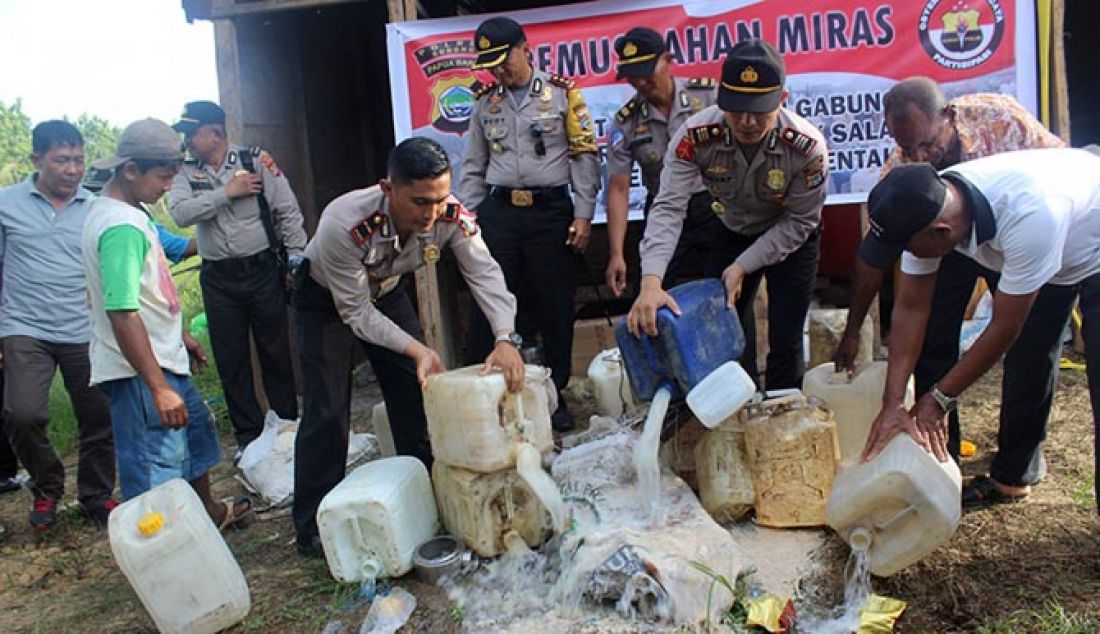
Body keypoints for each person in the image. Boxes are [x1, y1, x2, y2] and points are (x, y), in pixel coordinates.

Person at [293, 137, 523, 558]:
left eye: (439, 199)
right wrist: (418, 348)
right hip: (326, 301)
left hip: (389, 292)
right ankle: (312, 525)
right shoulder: (343, 222)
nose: (431, 214)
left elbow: (484, 274)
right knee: (327, 410)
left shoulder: (450, 214)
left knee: (415, 396)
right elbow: (356, 313)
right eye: (419, 202)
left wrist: (505, 337)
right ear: (388, 188)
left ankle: (426, 497)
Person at [832, 78, 1065, 462]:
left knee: (1031, 345)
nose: (920, 157)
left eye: (926, 144)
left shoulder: (1000, 118)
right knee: (932, 340)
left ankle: (1016, 469)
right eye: (908, 148)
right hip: (944, 239)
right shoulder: (902, 171)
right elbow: (885, 273)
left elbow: (1056, 165)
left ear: (949, 115)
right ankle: (941, 456)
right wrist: (853, 329)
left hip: (1024, 232)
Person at [858, 150, 1100, 511]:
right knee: (1031, 354)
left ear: (942, 234)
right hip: (1049, 248)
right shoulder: (927, 206)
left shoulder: (1032, 218)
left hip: (1090, 243)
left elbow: (1004, 327)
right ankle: (1012, 479)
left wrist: (940, 398)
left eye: (904, 249)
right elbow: (911, 307)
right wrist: (893, 401)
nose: (902, 256)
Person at [627, 39, 827, 390]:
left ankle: (782, 413)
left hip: (791, 236)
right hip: (732, 229)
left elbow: (800, 221)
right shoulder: (694, 137)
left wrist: (743, 266)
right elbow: (670, 207)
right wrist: (651, 282)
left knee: (786, 337)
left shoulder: (807, 147)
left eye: (759, 111)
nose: (748, 122)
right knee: (722, 326)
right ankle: (739, 408)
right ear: (721, 99)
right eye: (737, 110)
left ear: (782, 100)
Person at [83, 118, 251, 528]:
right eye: (162, 177)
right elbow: (121, 311)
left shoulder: (130, 214)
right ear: (130, 170)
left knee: (194, 441)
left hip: (162, 357)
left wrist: (179, 338)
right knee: (155, 468)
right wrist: (157, 386)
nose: (165, 188)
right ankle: (167, 554)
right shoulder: (119, 226)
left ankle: (208, 515)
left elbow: (147, 294)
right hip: (141, 374)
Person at [458, 16, 601, 431]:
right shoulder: (486, 102)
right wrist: (467, 219)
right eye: (492, 65)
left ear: (526, 48)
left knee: (555, 308)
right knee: (491, 303)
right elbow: (473, 164)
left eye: (505, 60)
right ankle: (485, 401)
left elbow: (584, 155)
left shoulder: (563, 95)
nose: (499, 71)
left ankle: (553, 400)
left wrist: (583, 214)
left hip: (549, 215)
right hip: (499, 214)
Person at [169, 101, 306, 457]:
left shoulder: (254, 160)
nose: (187, 141)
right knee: (232, 361)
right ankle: (249, 439)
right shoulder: (185, 172)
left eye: (191, 133)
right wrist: (226, 194)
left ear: (213, 132)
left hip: (261, 270)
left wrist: (296, 258)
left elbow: (286, 209)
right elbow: (181, 214)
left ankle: (287, 429)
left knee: (275, 353)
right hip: (219, 278)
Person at [0, 120, 116, 529]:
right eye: (62, 160)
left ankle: (96, 496)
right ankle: (48, 486)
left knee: (99, 415)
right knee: (21, 413)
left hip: (83, 327)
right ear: (36, 160)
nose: (72, 169)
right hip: (22, 325)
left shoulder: (94, 208)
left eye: (78, 160)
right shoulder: (6, 204)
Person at [605, 27, 720, 295]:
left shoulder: (708, 98)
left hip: (712, 205)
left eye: (646, 71)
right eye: (632, 76)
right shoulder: (626, 121)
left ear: (667, 60)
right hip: (663, 208)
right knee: (650, 290)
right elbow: (619, 188)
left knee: (728, 289)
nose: (640, 82)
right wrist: (616, 254)